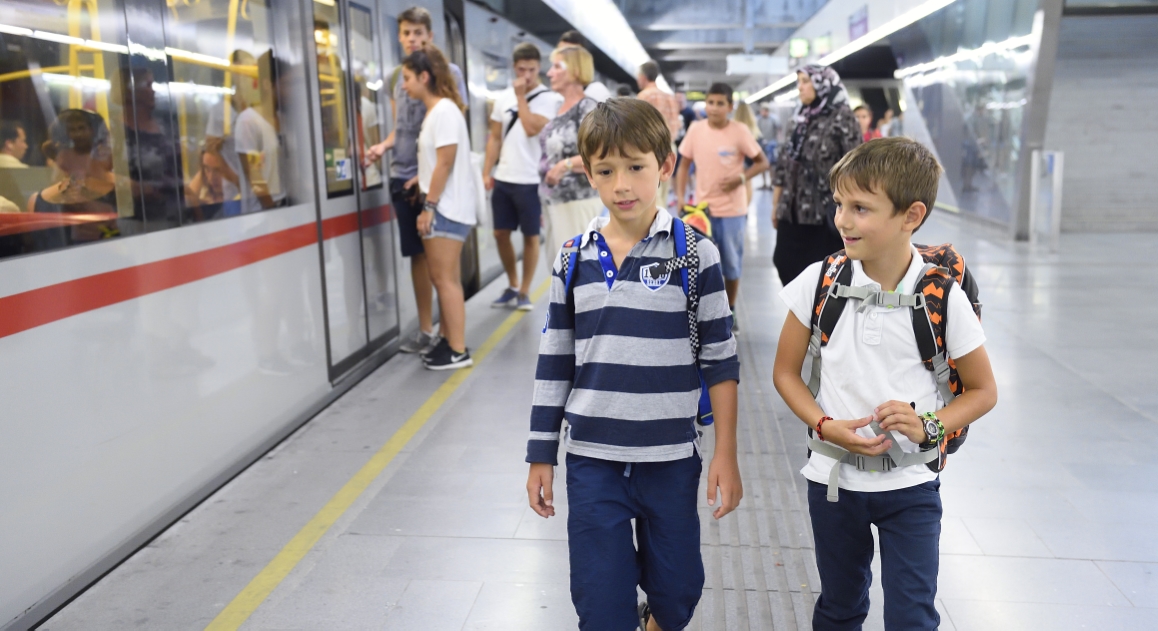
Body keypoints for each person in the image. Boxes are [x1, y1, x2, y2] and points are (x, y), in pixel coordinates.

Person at [526, 97, 742, 631]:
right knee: (600, 602)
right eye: (606, 170)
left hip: (670, 457)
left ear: (665, 166)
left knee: (679, 591)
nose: (622, 184)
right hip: (592, 459)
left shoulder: (695, 254)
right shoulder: (572, 258)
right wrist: (540, 455)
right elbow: (554, 361)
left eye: (636, 167)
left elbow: (721, 359)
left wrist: (726, 455)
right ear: (590, 174)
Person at [772, 137, 998, 630]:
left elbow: (982, 391)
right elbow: (785, 372)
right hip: (833, 483)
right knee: (840, 607)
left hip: (913, 486)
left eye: (860, 208)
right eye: (839, 204)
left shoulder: (940, 295)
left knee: (911, 617)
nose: (842, 220)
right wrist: (824, 424)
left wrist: (930, 424)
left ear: (910, 215)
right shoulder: (819, 281)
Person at [364, 7, 467, 355]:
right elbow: (401, 130)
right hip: (402, 175)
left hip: (428, 182)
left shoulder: (446, 74)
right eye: (406, 33)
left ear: (430, 36)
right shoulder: (398, 77)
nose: (412, 39)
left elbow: (450, 129)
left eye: (418, 33)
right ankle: (427, 329)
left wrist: (428, 187)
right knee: (418, 258)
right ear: (399, 36)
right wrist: (382, 146)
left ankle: (451, 337)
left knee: (439, 263)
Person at [402, 46, 475, 370]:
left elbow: (445, 162)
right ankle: (447, 340)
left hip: (446, 208)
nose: (404, 86)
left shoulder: (443, 111)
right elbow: (438, 160)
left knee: (444, 280)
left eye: (407, 78)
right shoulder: (441, 111)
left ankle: (457, 350)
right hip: (446, 205)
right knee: (445, 279)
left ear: (424, 77)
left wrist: (428, 206)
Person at [675, 83, 768, 323]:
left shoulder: (739, 131)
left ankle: (731, 310)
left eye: (719, 103)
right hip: (701, 211)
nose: (714, 108)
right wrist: (681, 198)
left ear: (730, 106)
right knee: (699, 264)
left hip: (732, 211)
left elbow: (762, 162)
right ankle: (703, 312)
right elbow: (683, 165)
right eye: (710, 103)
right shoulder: (696, 129)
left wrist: (740, 179)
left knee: (731, 264)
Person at [482, 42, 562, 311]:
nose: (526, 75)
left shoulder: (550, 99)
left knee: (530, 236)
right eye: (521, 69)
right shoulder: (502, 98)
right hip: (504, 176)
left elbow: (530, 128)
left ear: (539, 68)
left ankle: (525, 290)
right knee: (500, 233)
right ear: (513, 68)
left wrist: (519, 98)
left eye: (531, 69)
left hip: (531, 179)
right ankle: (513, 283)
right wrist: (486, 171)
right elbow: (494, 137)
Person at [772, 65, 861, 287]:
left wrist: (852, 210)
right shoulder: (798, 119)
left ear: (823, 84)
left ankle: (818, 318)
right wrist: (776, 204)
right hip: (791, 212)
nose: (800, 87)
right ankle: (801, 315)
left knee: (821, 274)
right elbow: (783, 167)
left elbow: (856, 168)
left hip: (823, 214)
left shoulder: (843, 117)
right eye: (798, 82)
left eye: (805, 81)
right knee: (784, 262)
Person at [538, 45, 601, 260]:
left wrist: (563, 166)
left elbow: (600, 152)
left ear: (575, 70)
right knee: (558, 268)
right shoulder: (559, 108)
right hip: (555, 202)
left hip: (578, 200)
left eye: (556, 66)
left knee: (575, 269)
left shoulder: (588, 108)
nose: (549, 73)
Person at [636, 59, 682, 210]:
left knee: (652, 193)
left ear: (643, 77)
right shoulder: (670, 97)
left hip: (651, 148)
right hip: (670, 148)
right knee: (664, 192)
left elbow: (639, 127)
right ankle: (665, 225)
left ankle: (656, 229)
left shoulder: (644, 96)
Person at [557, 31, 611, 102]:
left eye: (570, 53)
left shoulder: (597, 92)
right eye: (560, 52)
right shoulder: (557, 96)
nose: (563, 58)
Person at [732, 101, 762, 207]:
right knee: (748, 183)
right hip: (750, 159)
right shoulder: (752, 125)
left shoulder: (734, 126)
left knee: (738, 185)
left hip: (737, 159)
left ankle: (739, 206)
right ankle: (746, 207)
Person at [756, 104, 780, 188]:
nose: (763, 113)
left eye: (765, 111)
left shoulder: (774, 119)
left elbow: (778, 130)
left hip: (771, 144)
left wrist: (777, 142)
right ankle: (764, 183)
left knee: (771, 165)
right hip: (761, 144)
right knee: (762, 163)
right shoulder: (758, 120)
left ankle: (771, 183)